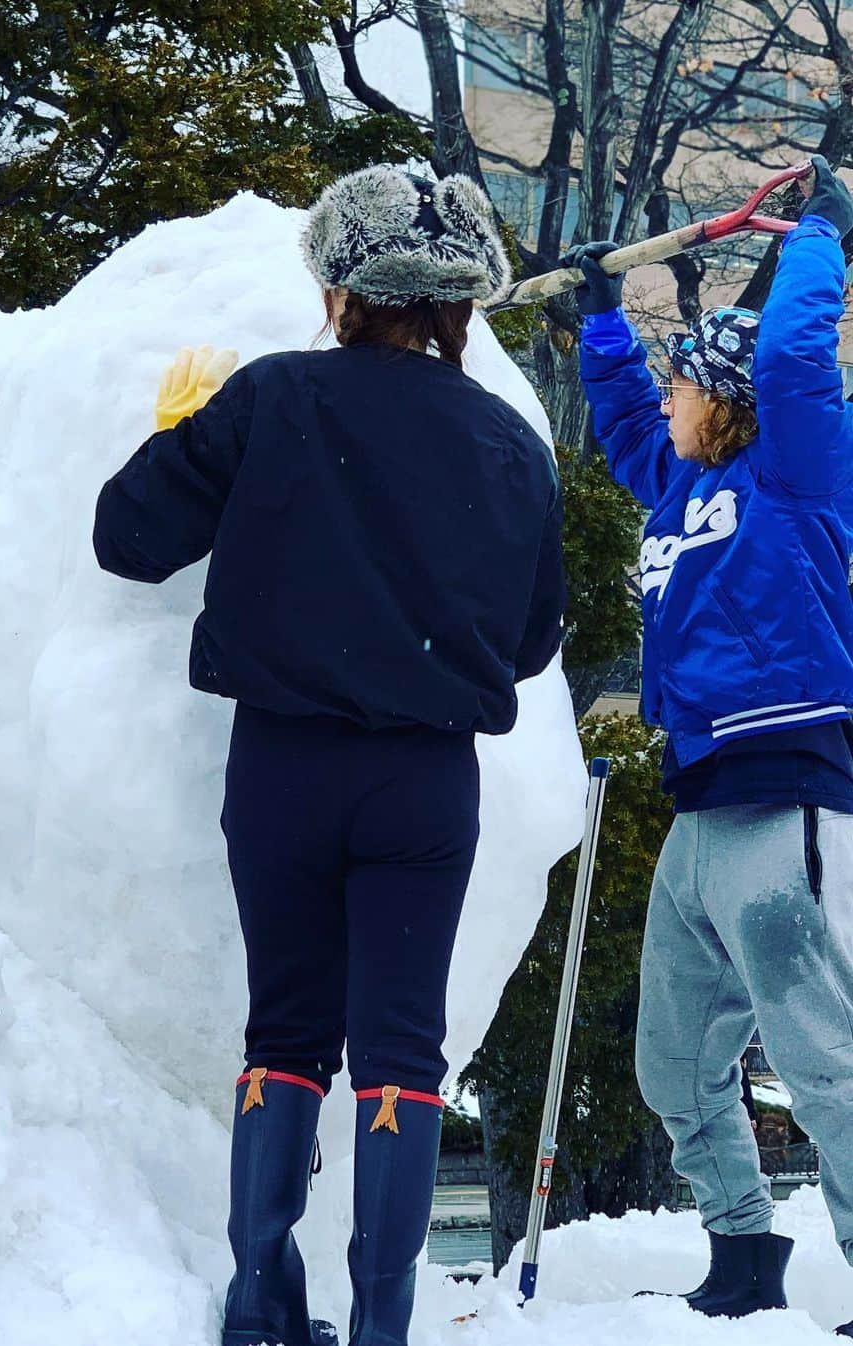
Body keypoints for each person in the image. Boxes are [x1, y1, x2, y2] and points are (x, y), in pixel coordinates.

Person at [93, 165, 566, 1346]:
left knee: (285, 1030)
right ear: (458, 303)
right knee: (403, 1047)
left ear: (341, 286)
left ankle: (260, 1302)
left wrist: (171, 437)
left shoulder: (275, 401)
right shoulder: (511, 443)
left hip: (282, 769)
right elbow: (532, 639)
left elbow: (128, 540)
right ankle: (381, 1327)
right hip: (423, 781)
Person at [565, 155, 853, 1330]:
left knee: (826, 1062)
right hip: (698, 812)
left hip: (788, 796)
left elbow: (790, 356)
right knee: (674, 1060)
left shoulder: (799, 471)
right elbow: (630, 421)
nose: (669, 401)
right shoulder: (677, 492)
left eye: (685, 383)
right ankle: (743, 1251)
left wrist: (822, 238)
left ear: (723, 397)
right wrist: (600, 320)